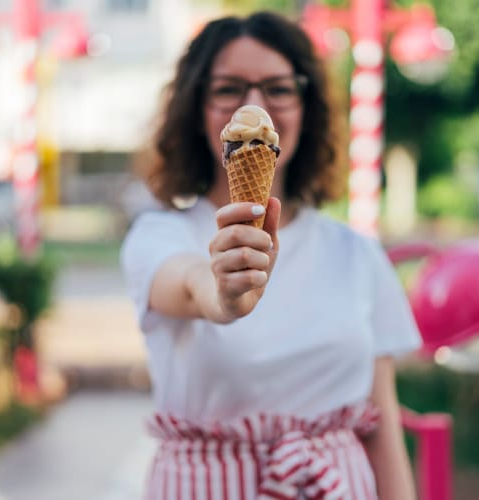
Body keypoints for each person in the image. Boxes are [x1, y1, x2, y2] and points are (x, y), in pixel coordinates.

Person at [121, 11, 421, 500]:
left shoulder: (357, 254)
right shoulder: (159, 236)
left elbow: (381, 423)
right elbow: (190, 284)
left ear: (307, 107)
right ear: (196, 109)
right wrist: (224, 294)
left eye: (279, 88)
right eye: (228, 89)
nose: (255, 104)